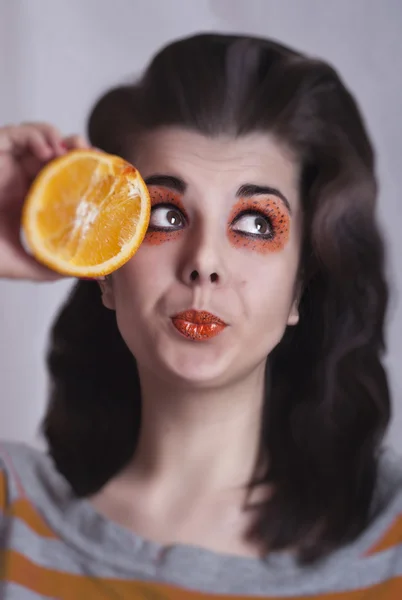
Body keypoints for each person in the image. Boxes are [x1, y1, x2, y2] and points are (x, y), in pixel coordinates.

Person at [0, 33, 399, 599]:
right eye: (164, 214)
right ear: (106, 270)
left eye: (256, 224)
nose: (204, 263)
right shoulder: (11, 516)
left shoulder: (391, 540)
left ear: (299, 289)